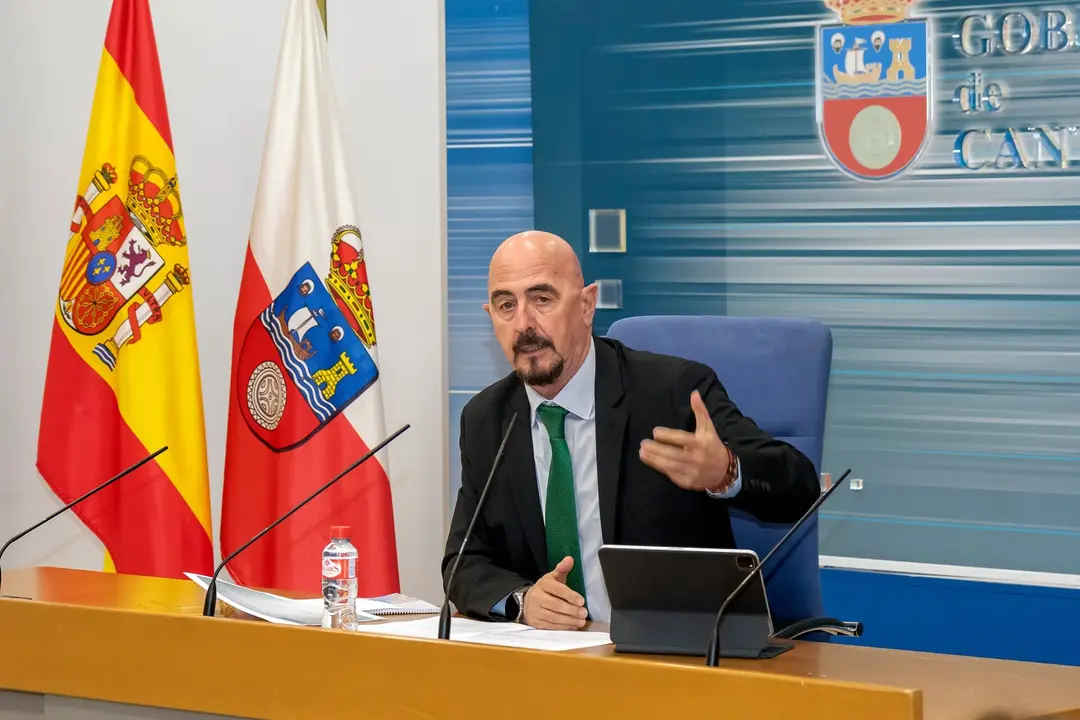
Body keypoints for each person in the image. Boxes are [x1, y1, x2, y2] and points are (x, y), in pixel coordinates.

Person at [441, 230, 820, 630]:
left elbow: (798, 485)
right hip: (552, 664)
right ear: (490, 317)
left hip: (673, 657)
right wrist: (522, 601)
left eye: (541, 299)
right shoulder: (487, 419)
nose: (524, 323)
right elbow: (463, 562)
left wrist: (727, 470)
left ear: (587, 305)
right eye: (506, 305)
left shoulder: (671, 393)